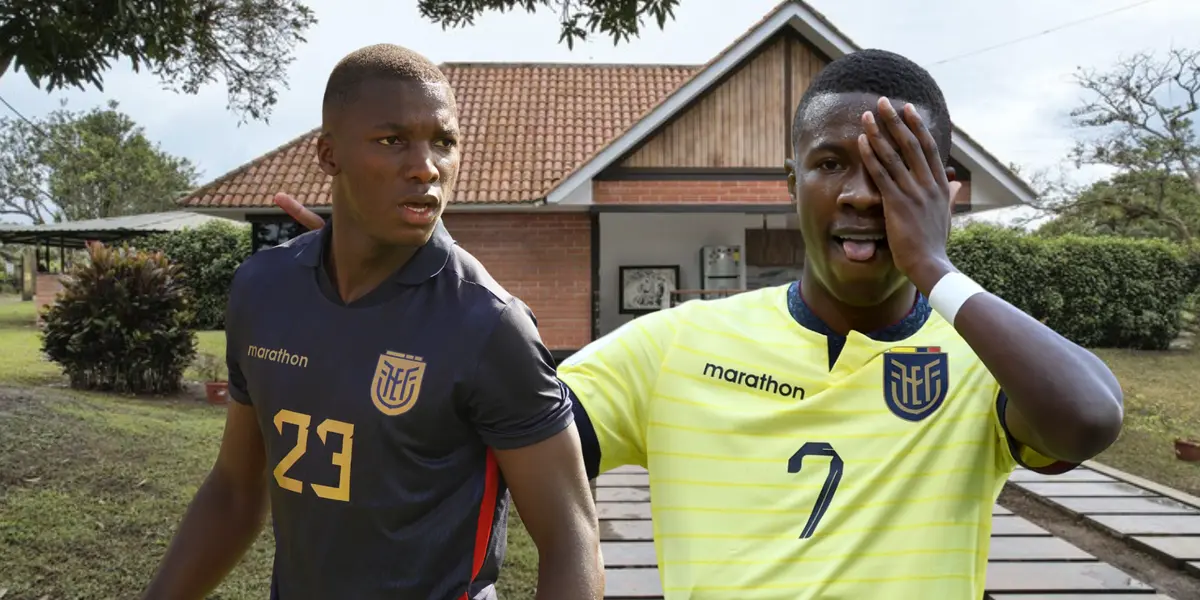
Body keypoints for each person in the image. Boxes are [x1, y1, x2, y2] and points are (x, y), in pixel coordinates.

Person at [278, 49, 1124, 598]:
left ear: (941, 189)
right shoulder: (678, 344)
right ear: (789, 181)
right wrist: (411, 285)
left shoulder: (981, 357)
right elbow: (500, 428)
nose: (861, 194)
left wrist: (933, 265)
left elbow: (1088, 418)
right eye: (831, 163)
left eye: (892, 171)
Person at [143, 44, 603, 600]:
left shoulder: (488, 325)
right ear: (328, 154)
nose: (426, 166)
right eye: (392, 141)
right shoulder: (263, 290)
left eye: (444, 142)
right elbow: (235, 492)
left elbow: (571, 538)